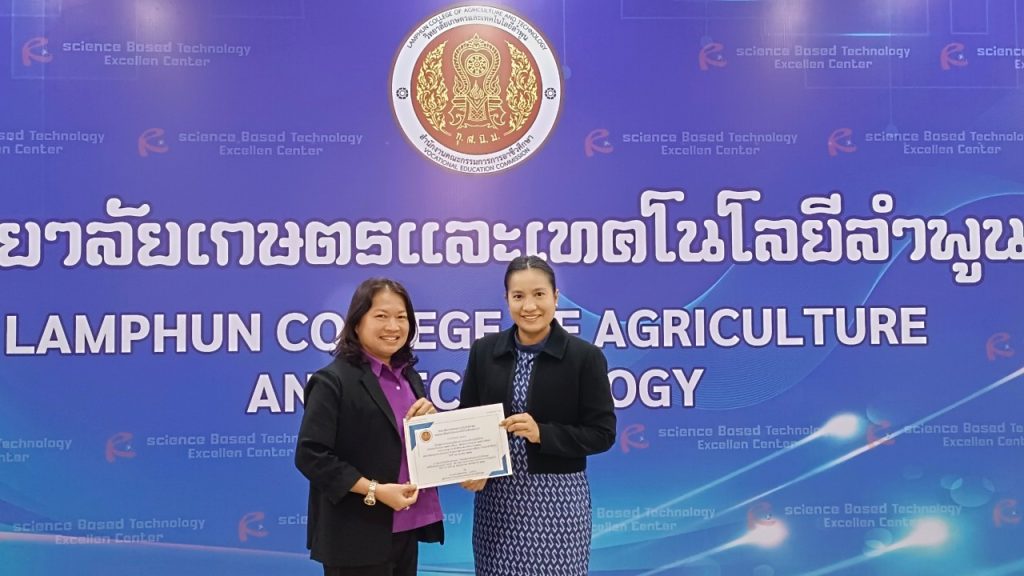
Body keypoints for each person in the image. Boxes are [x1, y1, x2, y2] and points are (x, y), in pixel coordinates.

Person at [459, 255, 617, 575]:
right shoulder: (484, 351)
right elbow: (468, 421)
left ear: (555, 297)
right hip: (497, 504)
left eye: (539, 294)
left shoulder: (585, 357)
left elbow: (603, 434)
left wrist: (542, 433)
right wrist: (470, 464)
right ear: (507, 299)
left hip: (558, 502)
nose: (529, 306)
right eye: (518, 296)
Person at [295, 278, 443, 576]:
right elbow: (311, 455)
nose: (393, 326)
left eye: (401, 317)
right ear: (357, 322)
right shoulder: (332, 381)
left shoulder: (408, 377)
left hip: (405, 527)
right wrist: (375, 490)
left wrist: (432, 422)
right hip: (354, 535)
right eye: (381, 316)